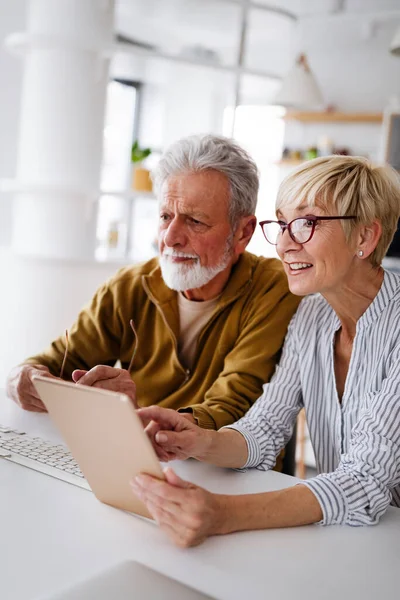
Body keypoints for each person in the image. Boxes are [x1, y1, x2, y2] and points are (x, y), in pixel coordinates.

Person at [130, 155, 400, 547]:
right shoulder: (311, 314)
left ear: (364, 237)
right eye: (283, 224)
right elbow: (266, 428)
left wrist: (222, 514)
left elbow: (365, 481)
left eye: (307, 223)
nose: (285, 244)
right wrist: (199, 439)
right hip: (350, 541)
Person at [6, 134, 299, 438]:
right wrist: (22, 377)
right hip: (138, 459)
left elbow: (232, 408)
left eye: (195, 221)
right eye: (165, 216)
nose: (170, 237)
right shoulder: (127, 287)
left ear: (243, 232)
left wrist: (132, 416)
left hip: (230, 473)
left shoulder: (274, 288)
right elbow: (53, 364)